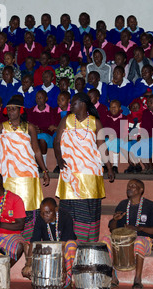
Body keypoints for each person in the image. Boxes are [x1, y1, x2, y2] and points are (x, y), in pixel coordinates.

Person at [54, 93, 115, 242]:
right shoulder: (66, 120)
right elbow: (56, 142)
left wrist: (109, 167)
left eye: (73, 104)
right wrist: (59, 158)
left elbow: (102, 146)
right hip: (71, 173)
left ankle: (88, 245)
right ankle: (69, 243)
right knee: (69, 209)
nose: (70, 106)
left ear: (83, 104)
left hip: (90, 173)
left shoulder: (95, 122)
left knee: (89, 210)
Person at [0, 96, 50, 241]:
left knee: (29, 209)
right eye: (9, 109)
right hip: (7, 175)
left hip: (27, 175)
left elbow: (36, 150)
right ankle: (11, 240)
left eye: (14, 109)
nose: (11, 112)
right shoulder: (1, 127)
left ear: (20, 110)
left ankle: (30, 241)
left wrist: (44, 170)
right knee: (9, 209)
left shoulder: (29, 127)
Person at [100, 179, 153, 289]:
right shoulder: (123, 204)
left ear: (141, 190)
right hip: (121, 241)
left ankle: (137, 279)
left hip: (144, 240)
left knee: (138, 241)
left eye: (133, 186)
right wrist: (115, 220)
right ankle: (113, 277)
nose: (129, 188)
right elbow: (112, 228)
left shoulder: (150, 205)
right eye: (128, 186)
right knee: (105, 240)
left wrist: (139, 228)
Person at [21, 197, 78, 289]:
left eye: (48, 212)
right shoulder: (40, 219)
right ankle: (37, 279)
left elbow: (63, 245)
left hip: (64, 250)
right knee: (28, 245)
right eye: (42, 213)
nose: (45, 216)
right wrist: (28, 264)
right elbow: (34, 241)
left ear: (56, 210)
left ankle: (67, 280)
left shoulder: (66, 217)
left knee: (70, 245)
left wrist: (62, 269)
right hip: (48, 248)